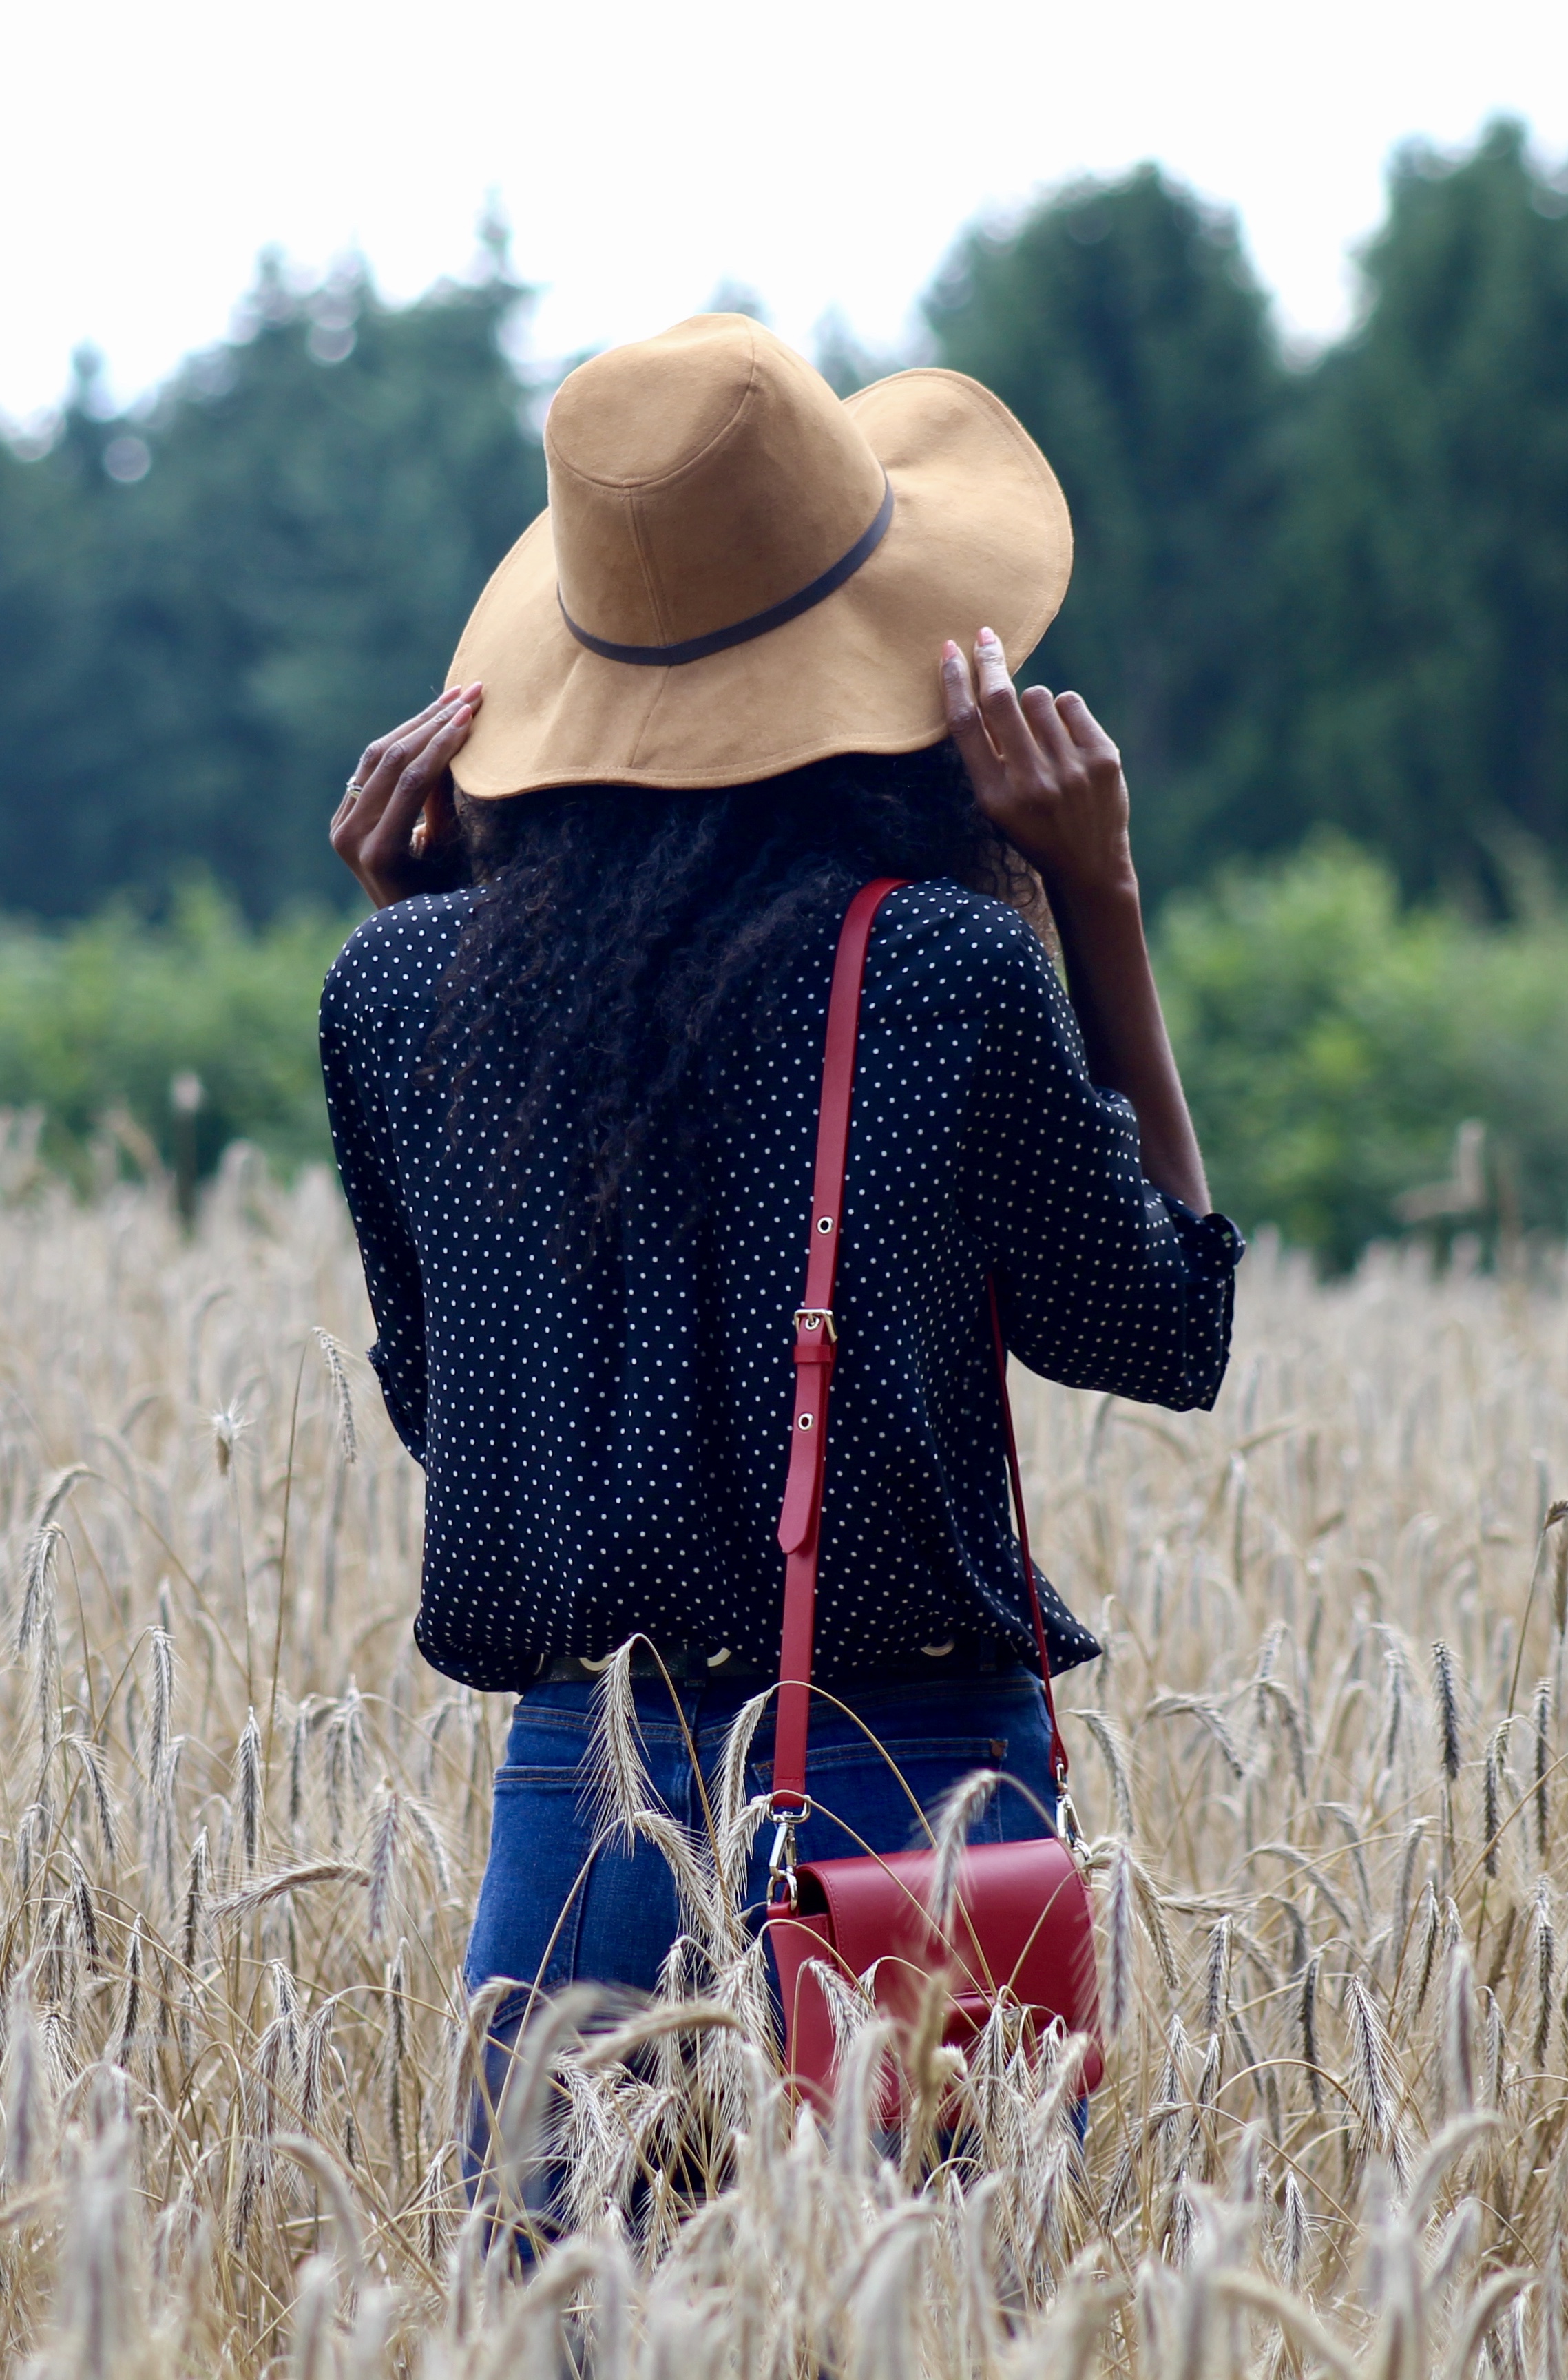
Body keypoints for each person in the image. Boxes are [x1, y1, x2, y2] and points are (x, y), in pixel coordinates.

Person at [320, 315, 1241, 2192]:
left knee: (565, 2326)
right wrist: (1102, 904)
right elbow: (1161, 1322)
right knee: (928, 2316)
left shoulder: (395, 990)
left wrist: (451, 980)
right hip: (911, 1781)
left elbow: (466, 1426)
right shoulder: (944, 969)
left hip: (577, 1818)